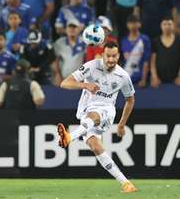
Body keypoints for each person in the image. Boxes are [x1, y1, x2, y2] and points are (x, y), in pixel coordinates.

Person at [57, 42, 137, 193]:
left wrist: (121, 124)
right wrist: (85, 85)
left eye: (114, 56)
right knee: (96, 147)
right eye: (108, 56)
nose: (111, 59)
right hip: (86, 112)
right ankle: (126, 183)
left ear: (118, 56)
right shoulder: (91, 67)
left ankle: (69, 137)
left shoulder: (123, 76)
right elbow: (65, 83)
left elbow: (130, 99)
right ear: (103, 55)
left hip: (107, 111)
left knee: (94, 115)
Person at [150, 17, 180, 88]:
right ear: (161, 26)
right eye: (165, 24)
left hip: (176, 81)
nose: (167, 26)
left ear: (173, 26)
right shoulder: (155, 41)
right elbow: (152, 62)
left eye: (169, 24)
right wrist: (155, 78)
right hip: (159, 82)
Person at [120, 14, 151, 87]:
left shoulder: (145, 39)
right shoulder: (123, 40)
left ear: (139, 24)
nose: (133, 25)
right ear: (127, 25)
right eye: (131, 23)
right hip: (126, 81)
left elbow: (146, 61)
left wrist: (143, 79)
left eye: (135, 22)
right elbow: (121, 61)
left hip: (139, 81)